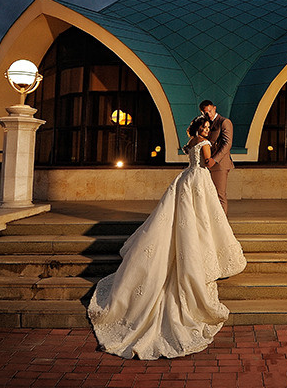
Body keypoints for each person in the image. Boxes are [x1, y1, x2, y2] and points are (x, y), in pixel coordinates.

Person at [87, 115, 246, 360]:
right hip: (199, 180)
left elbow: (191, 155)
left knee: (192, 217)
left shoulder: (191, 141)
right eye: (203, 127)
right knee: (202, 218)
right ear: (198, 128)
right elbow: (207, 163)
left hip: (185, 179)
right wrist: (214, 155)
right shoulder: (204, 144)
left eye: (206, 127)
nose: (205, 129)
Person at [199, 99, 233, 214]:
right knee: (209, 195)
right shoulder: (205, 123)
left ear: (214, 108)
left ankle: (223, 226)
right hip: (207, 163)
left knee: (220, 195)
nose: (208, 114)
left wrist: (215, 160)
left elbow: (227, 144)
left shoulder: (224, 122)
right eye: (205, 112)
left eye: (209, 111)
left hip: (220, 164)